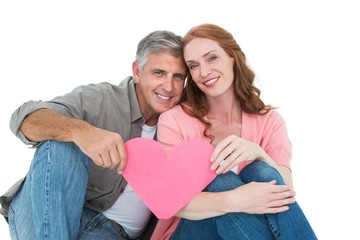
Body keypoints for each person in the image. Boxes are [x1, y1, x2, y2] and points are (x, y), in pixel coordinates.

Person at [0, 30, 187, 240]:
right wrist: (83, 132)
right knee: (61, 144)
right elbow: (25, 119)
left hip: (111, 234)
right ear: (137, 71)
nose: (169, 87)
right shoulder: (101, 99)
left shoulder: (184, 123)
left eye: (178, 77)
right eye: (159, 73)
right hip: (49, 215)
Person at [151, 23, 317, 239]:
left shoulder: (270, 121)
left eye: (211, 58)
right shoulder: (175, 120)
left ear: (232, 56)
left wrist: (259, 153)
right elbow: (171, 202)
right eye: (193, 66)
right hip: (190, 231)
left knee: (261, 171)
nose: (204, 72)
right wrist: (236, 199)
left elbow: (285, 192)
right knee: (218, 179)